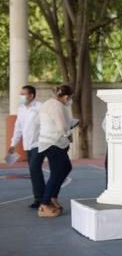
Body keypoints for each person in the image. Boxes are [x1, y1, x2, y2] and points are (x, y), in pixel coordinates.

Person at [36, 85, 76, 218]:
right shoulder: (58, 106)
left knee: (64, 168)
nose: (70, 101)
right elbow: (62, 127)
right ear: (66, 97)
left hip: (50, 142)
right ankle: (44, 204)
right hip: (53, 143)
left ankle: (52, 197)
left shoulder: (49, 103)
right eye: (70, 98)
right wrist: (70, 132)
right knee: (58, 172)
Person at [8, 85, 42, 209]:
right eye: (20, 94)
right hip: (27, 145)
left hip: (39, 144)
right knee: (34, 172)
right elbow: (18, 129)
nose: (21, 97)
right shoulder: (21, 109)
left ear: (31, 95)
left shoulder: (40, 107)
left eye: (23, 94)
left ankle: (40, 199)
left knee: (34, 169)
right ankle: (42, 197)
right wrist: (12, 145)